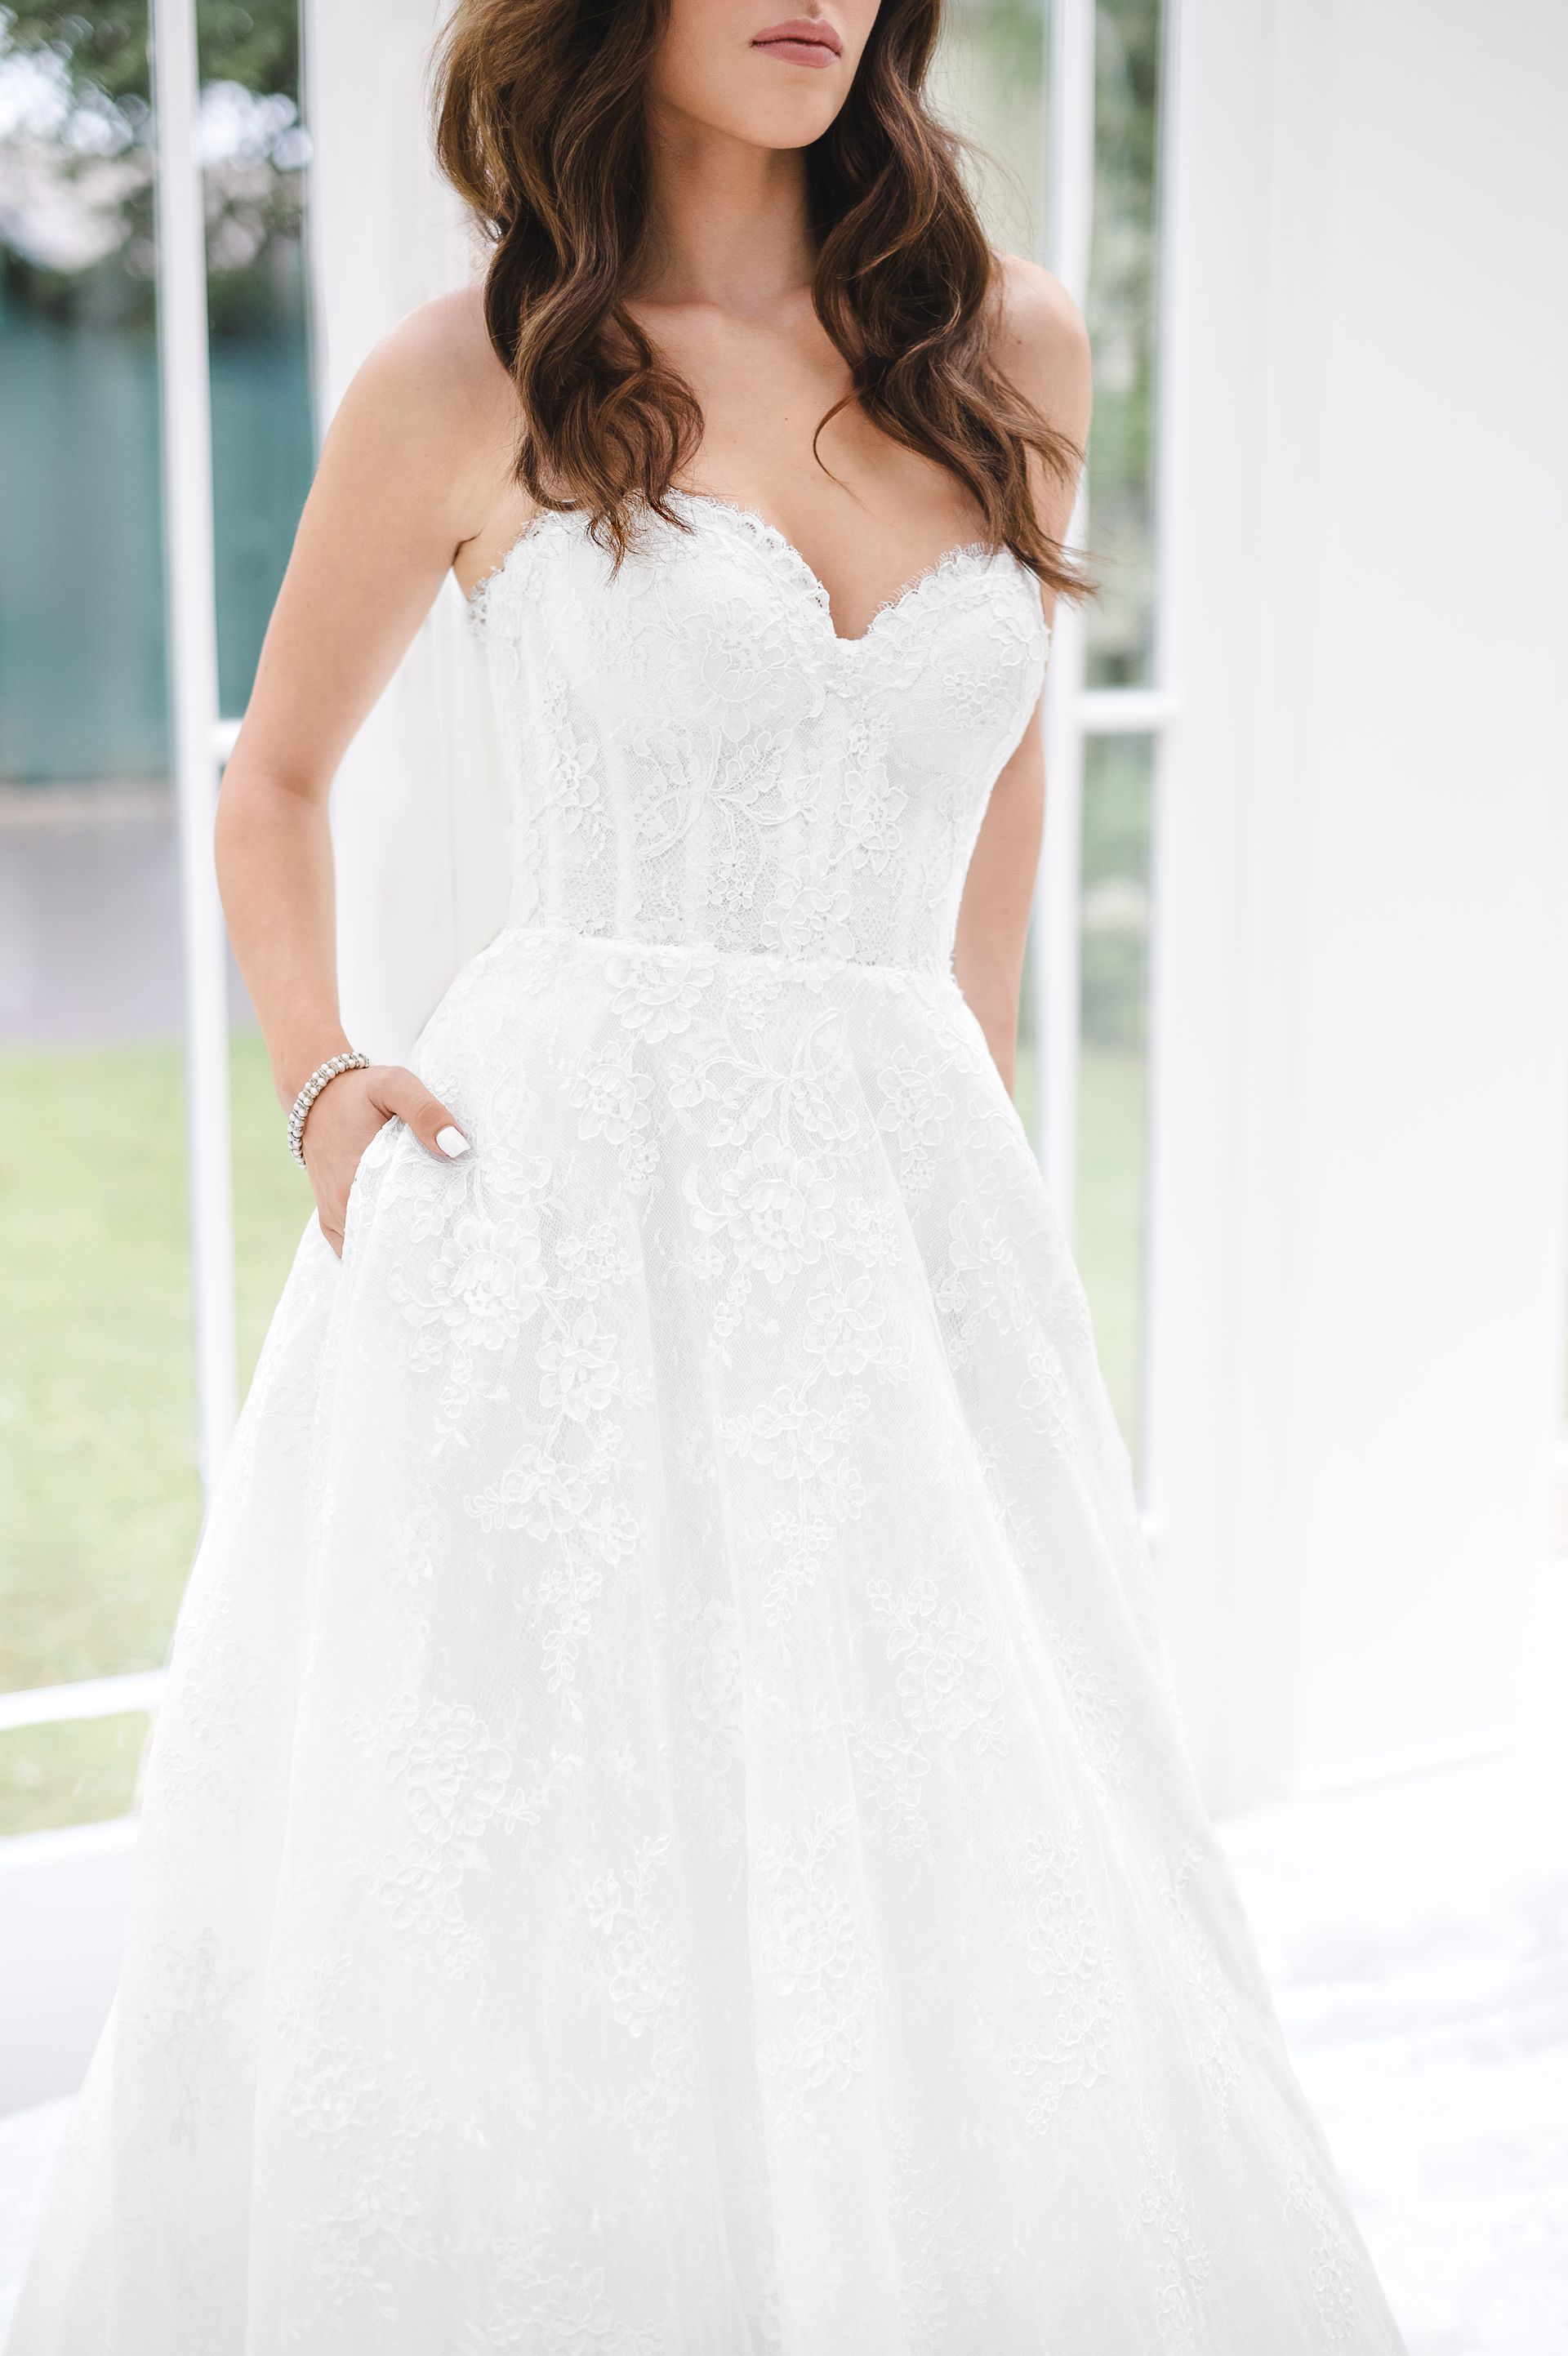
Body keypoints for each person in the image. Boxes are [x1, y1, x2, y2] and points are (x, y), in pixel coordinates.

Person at [7, 0, 1410, 2345]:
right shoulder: (475, 375)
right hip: (560, 1208)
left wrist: (962, 1132)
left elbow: (999, 782)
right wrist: (325, 1084)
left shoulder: (1008, 347)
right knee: (573, 1847)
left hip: (904, 1204)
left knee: (960, 1819)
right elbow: (276, 779)